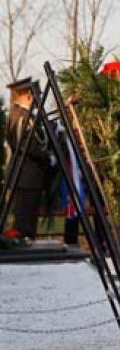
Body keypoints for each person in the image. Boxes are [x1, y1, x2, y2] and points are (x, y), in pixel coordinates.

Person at [6, 77, 53, 243]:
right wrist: (48, 158)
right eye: (37, 95)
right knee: (24, 225)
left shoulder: (23, 115)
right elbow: (28, 146)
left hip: (28, 177)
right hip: (26, 176)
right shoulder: (21, 116)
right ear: (28, 95)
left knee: (27, 222)